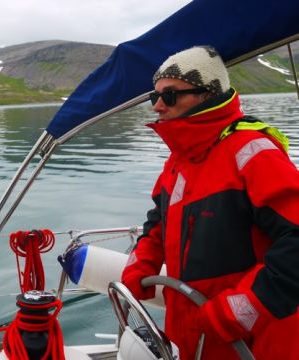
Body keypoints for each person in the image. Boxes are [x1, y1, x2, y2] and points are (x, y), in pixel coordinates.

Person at [120, 46, 299, 359]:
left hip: (251, 341)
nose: (157, 106)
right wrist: (138, 266)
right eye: (155, 96)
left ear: (206, 95)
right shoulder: (177, 161)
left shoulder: (255, 153)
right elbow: (157, 224)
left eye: (170, 95)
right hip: (191, 335)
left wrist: (240, 309)